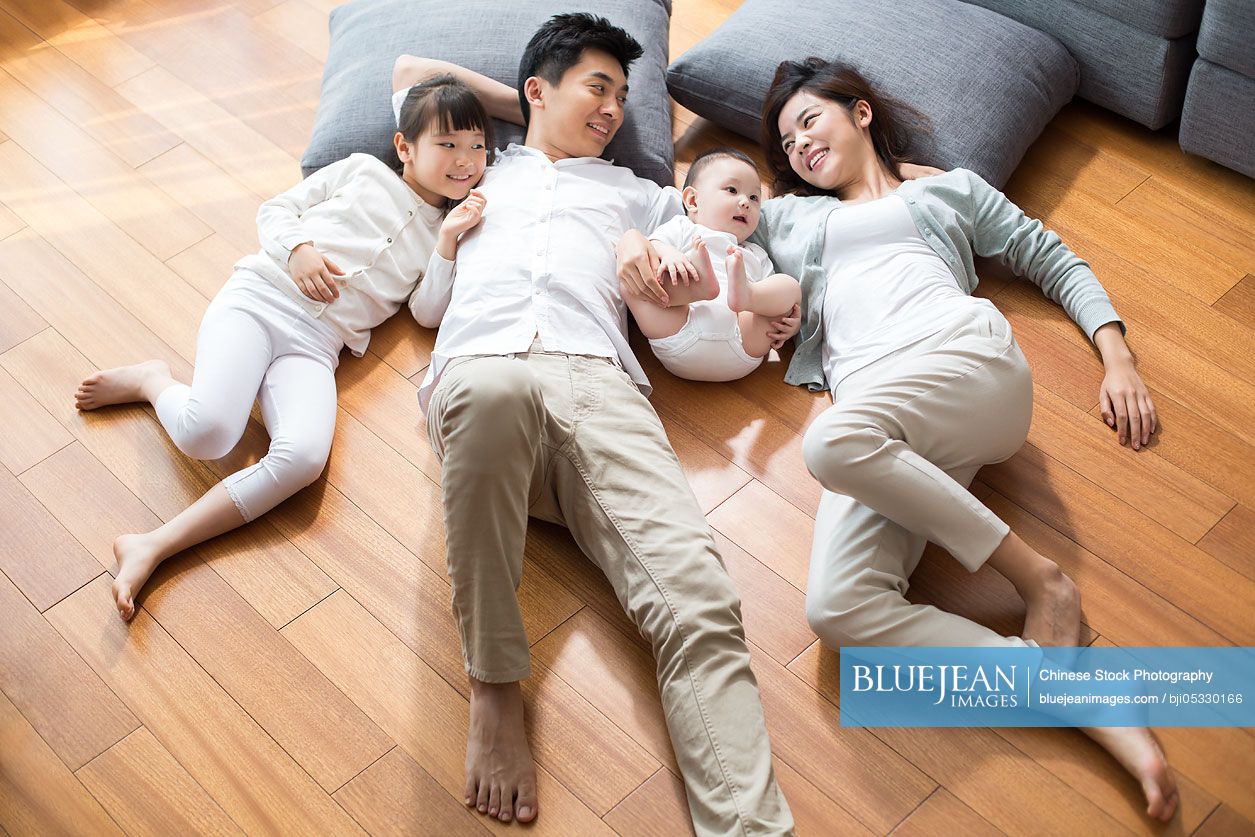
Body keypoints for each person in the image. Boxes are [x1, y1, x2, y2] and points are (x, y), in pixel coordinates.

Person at [393, 13, 794, 834]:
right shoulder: (476, 171)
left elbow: (701, 275)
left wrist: (645, 261)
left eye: (623, 95)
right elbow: (405, 72)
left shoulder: (643, 196)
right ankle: (495, 686)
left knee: (700, 595)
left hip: (600, 389)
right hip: (485, 375)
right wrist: (524, 110)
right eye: (597, 88)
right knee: (495, 393)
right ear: (538, 91)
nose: (613, 109)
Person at [749, 57, 1175, 821]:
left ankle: (1039, 579)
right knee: (836, 609)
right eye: (785, 143)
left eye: (809, 120)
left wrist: (1117, 357)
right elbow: (696, 223)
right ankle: (1074, 698)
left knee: (829, 444)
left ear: (860, 113)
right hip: (881, 427)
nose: (798, 146)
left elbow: (1051, 258)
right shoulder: (784, 220)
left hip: (964, 366)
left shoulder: (947, 189)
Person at [73, 76, 492, 623]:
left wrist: (447, 243)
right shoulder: (361, 171)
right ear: (404, 147)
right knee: (209, 433)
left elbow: (427, 312)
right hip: (261, 296)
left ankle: (153, 544)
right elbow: (276, 210)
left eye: (478, 146)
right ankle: (154, 381)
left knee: (303, 460)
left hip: (317, 346)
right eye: (448, 144)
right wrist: (298, 250)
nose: (465, 160)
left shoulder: (452, 229)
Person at [618, 147, 802, 381]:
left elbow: (774, 298)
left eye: (755, 197)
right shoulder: (682, 228)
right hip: (678, 326)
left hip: (743, 339)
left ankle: (746, 294)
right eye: (732, 190)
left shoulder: (755, 253)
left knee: (789, 286)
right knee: (639, 272)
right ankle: (697, 288)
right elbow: (649, 248)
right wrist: (667, 252)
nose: (745, 202)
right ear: (693, 200)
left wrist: (790, 321)